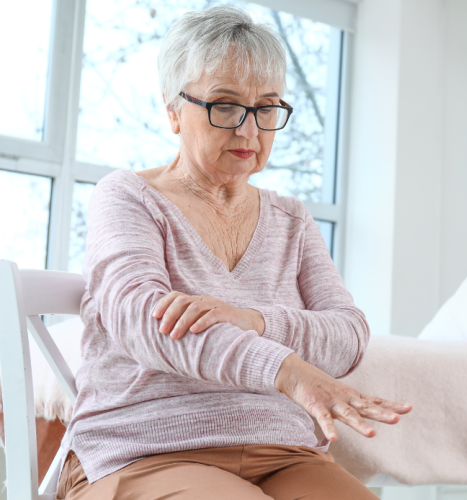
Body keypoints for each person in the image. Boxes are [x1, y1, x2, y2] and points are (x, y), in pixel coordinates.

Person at [56, 6, 411, 499]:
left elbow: (349, 335)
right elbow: (142, 320)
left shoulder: (291, 218)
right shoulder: (128, 197)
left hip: (282, 451)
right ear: (173, 110)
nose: (250, 131)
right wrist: (285, 369)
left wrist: (253, 321)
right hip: (146, 449)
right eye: (225, 106)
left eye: (267, 107)